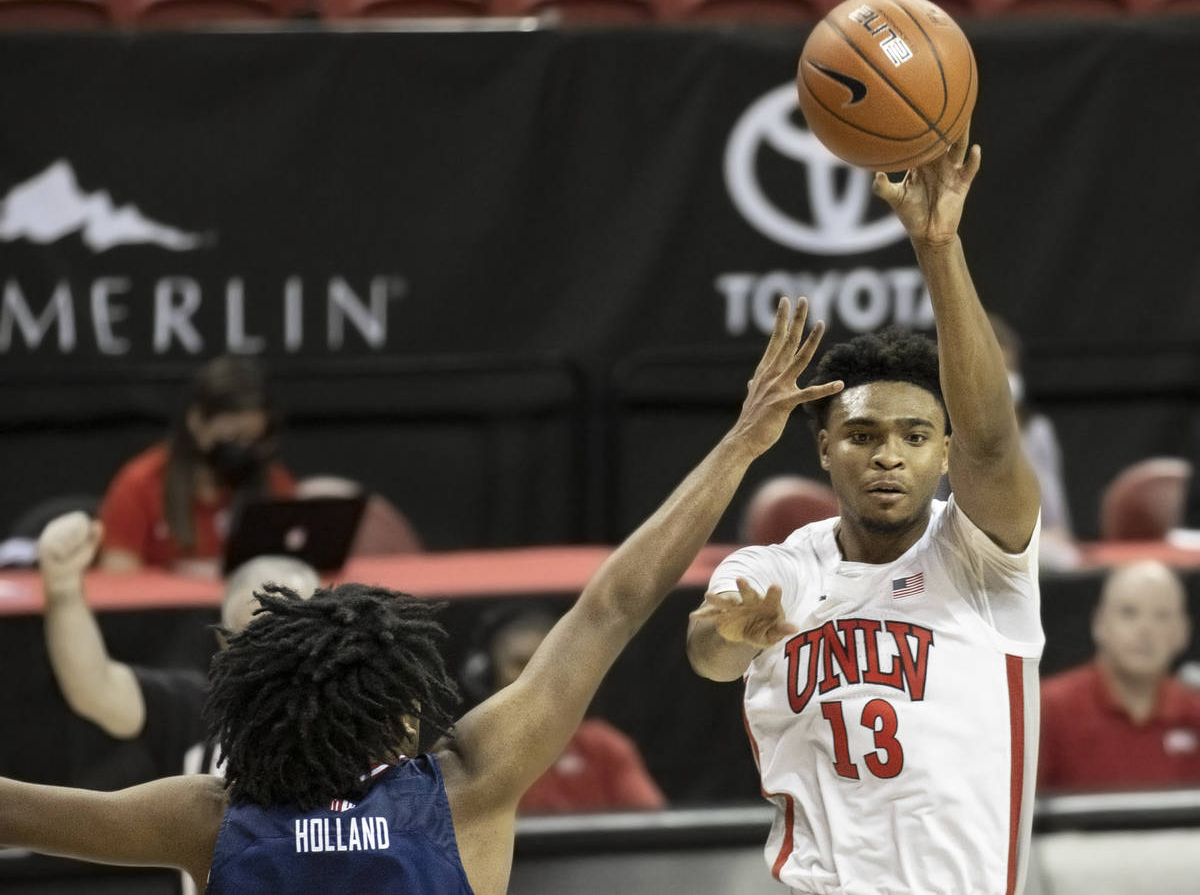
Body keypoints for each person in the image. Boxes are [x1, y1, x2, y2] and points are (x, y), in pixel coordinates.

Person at [0, 296, 842, 894]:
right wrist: (740, 444)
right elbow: (614, 603)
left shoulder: (208, 816)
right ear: (398, 712)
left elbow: (14, 811)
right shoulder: (466, 787)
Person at [686, 131, 1045, 895]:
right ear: (824, 448)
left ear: (943, 453)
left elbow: (990, 445)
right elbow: (707, 655)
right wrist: (730, 635)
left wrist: (938, 248)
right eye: (862, 435)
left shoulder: (986, 561)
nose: (888, 456)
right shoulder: (780, 566)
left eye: (914, 437)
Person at [38, 510, 320, 774]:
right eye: (255, 636)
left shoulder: (342, 716)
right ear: (224, 640)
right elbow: (95, 688)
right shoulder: (194, 708)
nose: (275, 650)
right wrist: (64, 590)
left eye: (294, 631)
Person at [98, 355, 295, 574]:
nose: (244, 450)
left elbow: (297, 569)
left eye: (254, 440)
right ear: (197, 421)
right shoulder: (140, 483)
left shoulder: (273, 482)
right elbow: (119, 577)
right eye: (234, 438)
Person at [464, 602, 666, 814]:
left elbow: (654, 825)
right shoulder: (466, 757)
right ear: (487, 675)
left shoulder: (604, 748)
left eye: (547, 663)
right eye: (521, 664)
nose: (535, 677)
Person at [1039, 560, 1200, 792]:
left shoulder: (1194, 712)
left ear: (1183, 631)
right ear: (1100, 623)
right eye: (1129, 613)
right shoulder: (1047, 709)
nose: (1145, 630)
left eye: (1162, 616)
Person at [988, 312, 1079, 569]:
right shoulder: (950, 436)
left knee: (1065, 559)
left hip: (1037, 541)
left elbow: (1056, 514)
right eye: (996, 373)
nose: (1006, 380)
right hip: (979, 546)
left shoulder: (1037, 431)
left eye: (1010, 370)